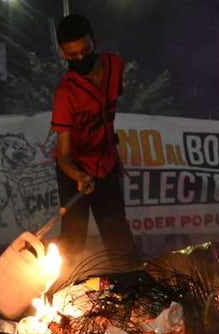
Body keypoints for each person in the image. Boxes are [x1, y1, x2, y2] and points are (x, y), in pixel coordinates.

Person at [51, 13, 138, 272]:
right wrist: (79, 175)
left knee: (117, 234)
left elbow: (106, 118)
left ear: (94, 42)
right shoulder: (65, 93)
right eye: (71, 55)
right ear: (61, 53)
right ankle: (62, 293)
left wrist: (116, 157)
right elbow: (63, 156)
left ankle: (135, 289)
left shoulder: (115, 65)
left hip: (106, 164)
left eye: (85, 51)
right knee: (73, 240)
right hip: (74, 171)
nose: (80, 59)